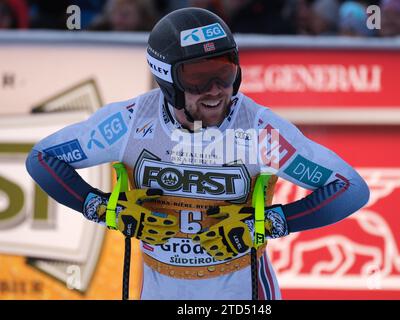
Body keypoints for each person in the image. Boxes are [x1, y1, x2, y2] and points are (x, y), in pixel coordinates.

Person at [26, 7, 370, 300]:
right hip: (161, 287)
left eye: (224, 73)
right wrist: (103, 209)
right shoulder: (130, 122)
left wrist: (272, 223)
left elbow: (349, 188)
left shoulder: (260, 130)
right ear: (167, 80)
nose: (216, 91)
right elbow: (42, 160)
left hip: (240, 290)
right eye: (198, 79)